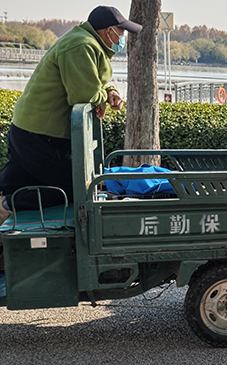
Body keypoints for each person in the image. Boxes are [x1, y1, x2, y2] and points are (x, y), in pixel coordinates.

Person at [0, 5, 141, 222]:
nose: (122, 38)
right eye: (121, 33)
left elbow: (95, 80)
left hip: (28, 128)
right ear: (108, 31)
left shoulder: (87, 42)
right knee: (76, 188)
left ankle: (6, 210)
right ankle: (8, 205)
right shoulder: (81, 46)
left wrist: (109, 91)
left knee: (15, 183)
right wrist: (102, 97)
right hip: (41, 135)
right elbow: (84, 94)